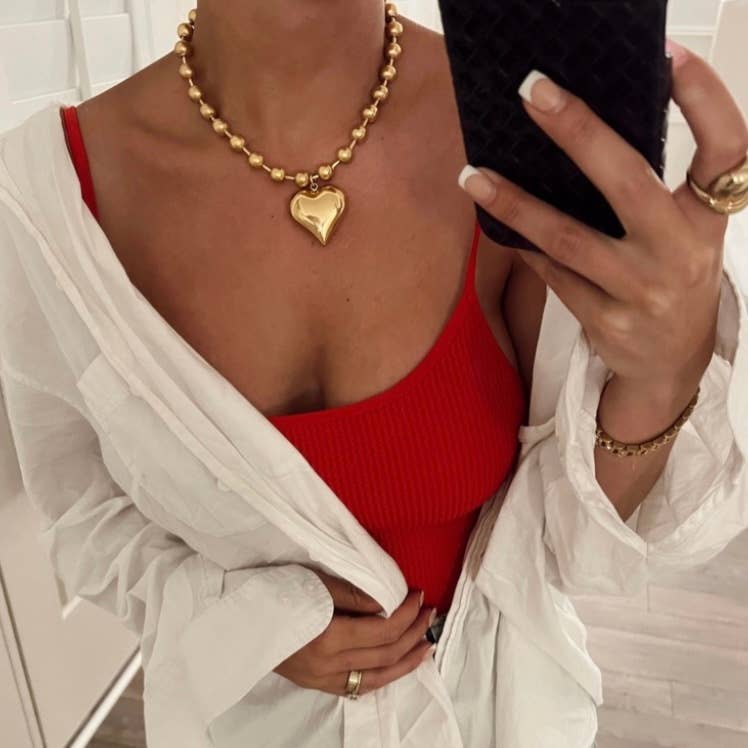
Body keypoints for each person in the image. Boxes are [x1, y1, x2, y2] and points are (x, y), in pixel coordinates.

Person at [0, 1, 746, 746]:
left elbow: (566, 546)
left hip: (499, 714)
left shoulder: (518, 131)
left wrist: (665, 376)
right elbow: (83, 517)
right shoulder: (46, 201)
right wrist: (248, 627)